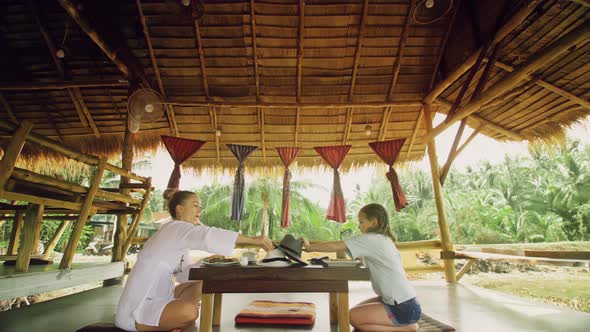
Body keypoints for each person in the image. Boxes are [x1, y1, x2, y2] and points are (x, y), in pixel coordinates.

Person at [115, 190, 274, 331]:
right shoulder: (174, 228)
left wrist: (206, 261)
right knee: (190, 312)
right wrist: (254, 239)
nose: (200, 210)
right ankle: (152, 324)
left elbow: (184, 274)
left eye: (200, 206)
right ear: (180, 209)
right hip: (137, 308)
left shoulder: (178, 236)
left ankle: (171, 319)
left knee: (204, 284)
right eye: (195, 205)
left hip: (160, 296)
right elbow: (206, 235)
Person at [302, 203, 420, 332]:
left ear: (374, 222)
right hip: (405, 302)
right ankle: (401, 324)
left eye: (361, 222)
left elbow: (337, 245)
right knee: (352, 316)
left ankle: (408, 328)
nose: (359, 226)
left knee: (352, 317)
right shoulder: (383, 239)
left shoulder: (371, 238)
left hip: (402, 307)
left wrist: (309, 248)